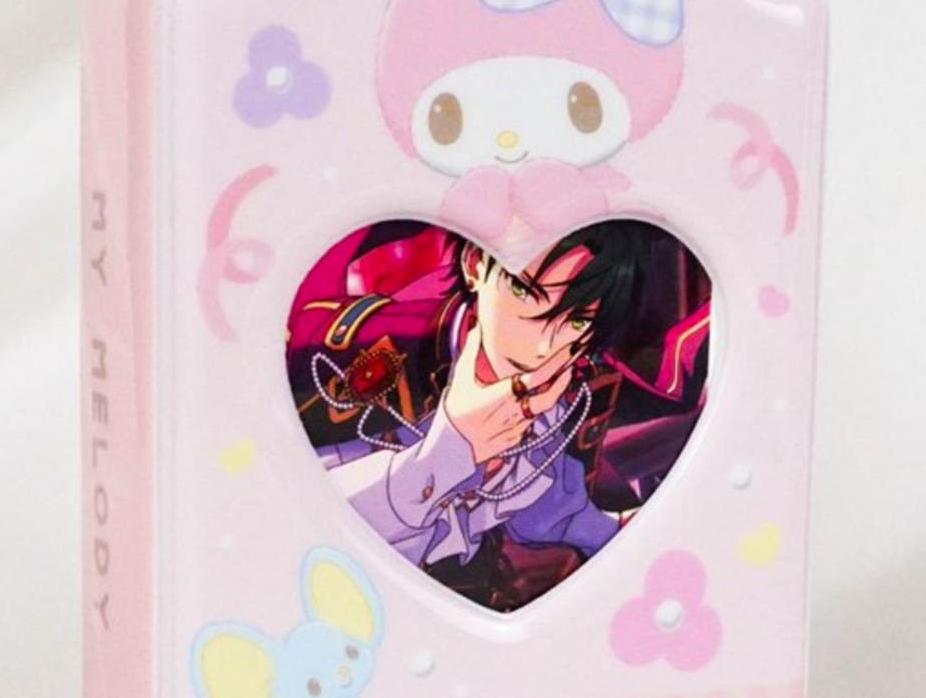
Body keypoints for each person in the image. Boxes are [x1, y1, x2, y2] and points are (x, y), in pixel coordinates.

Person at [287, 221, 708, 612]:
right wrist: (448, 449)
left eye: (577, 319)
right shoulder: (369, 353)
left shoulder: (560, 390)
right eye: (526, 293)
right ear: (475, 265)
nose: (544, 345)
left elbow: (548, 508)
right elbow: (304, 519)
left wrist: (623, 537)